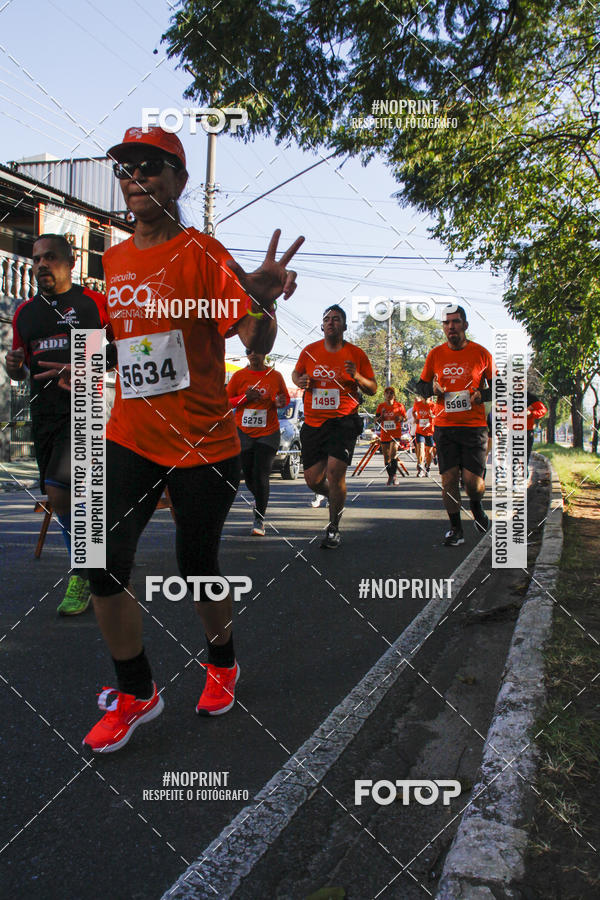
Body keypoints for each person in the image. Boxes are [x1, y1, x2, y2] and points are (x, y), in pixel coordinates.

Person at [39, 126, 303, 752]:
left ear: (179, 180)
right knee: (99, 558)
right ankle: (137, 692)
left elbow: (255, 340)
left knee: (197, 565)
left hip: (204, 443)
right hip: (131, 435)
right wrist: (85, 360)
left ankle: (222, 662)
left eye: (151, 166)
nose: (136, 178)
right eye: (126, 168)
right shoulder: (115, 260)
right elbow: (124, 340)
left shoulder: (203, 253)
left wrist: (261, 301)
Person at [4, 234, 109, 615]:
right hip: (43, 414)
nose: (41, 265)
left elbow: (124, 349)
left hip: (84, 408)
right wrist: (13, 367)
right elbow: (22, 369)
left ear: (70, 261)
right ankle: (93, 565)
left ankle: (83, 572)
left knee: (64, 492)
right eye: (36, 259)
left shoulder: (93, 303)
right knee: (65, 496)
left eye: (49, 257)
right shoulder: (25, 313)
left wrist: (86, 366)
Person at [292, 304, 377, 548]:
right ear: (322, 325)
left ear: (344, 326)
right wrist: (301, 380)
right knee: (312, 479)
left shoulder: (356, 354)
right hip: (313, 423)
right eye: (327, 319)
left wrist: (357, 376)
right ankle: (335, 495)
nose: (331, 322)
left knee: (334, 472)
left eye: (336, 319)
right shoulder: (310, 351)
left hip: (343, 422)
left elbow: (372, 388)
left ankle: (333, 528)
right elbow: (296, 374)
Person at [416, 304, 494, 546]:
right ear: (443, 327)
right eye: (447, 322)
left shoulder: (481, 354)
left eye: (456, 321)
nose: (451, 326)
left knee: (472, 483)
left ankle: (477, 506)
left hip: (474, 427)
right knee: (448, 479)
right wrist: (432, 389)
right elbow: (421, 386)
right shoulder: (435, 354)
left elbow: (499, 387)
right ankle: (456, 529)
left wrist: (482, 395)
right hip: (444, 426)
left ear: (465, 325)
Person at [227, 349, 289, 535]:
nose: (253, 354)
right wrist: (245, 397)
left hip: (268, 432)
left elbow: (284, 398)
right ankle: (260, 498)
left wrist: (280, 402)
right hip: (244, 432)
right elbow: (226, 402)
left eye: (258, 351)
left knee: (261, 474)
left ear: (265, 353)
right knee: (248, 475)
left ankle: (259, 519)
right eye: (249, 351)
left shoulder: (275, 376)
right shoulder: (239, 376)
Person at [375, 386, 407, 485]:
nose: (389, 395)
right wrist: (381, 416)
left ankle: (394, 476)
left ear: (394, 395)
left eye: (391, 393)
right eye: (387, 393)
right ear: (384, 395)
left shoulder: (400, 406)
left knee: (393, 453)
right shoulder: (381, 406)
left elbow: (405, 418)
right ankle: (390, 476)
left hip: (396, 433)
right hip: (385, 434)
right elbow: (376, 421)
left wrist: (400, 419)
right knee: (386, 457)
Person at [411, 394, 436, 476]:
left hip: (430, 432)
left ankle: (428, 468)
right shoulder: (417, 404)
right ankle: (420, 469)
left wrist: (432, 415)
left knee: (429, 452)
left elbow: (437, 416)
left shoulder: (433, 405)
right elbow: (413, 412)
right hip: (420, 431)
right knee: (421, 448)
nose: (425, 397)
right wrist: (416, 418)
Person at [526, 392, 548, 469]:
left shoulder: (531, 398)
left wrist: (532, 414)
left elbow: (543, 410)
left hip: (527, 431)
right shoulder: (509, 396)